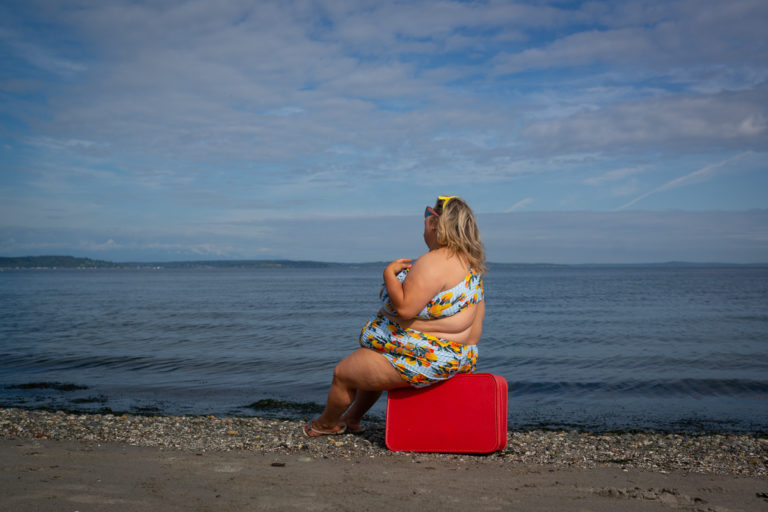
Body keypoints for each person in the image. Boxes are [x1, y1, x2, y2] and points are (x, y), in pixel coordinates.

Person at [304, 195, 487, 436]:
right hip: (459, 356)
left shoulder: (433, 262)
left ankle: (325, 424)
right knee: (370, 357)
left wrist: (389, 274)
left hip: (431, 359)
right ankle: (354, 418)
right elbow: (474, 331)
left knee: (344, 373)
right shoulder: (471, 266)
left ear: (435, 223)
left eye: (426, 217)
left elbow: (405, 309)